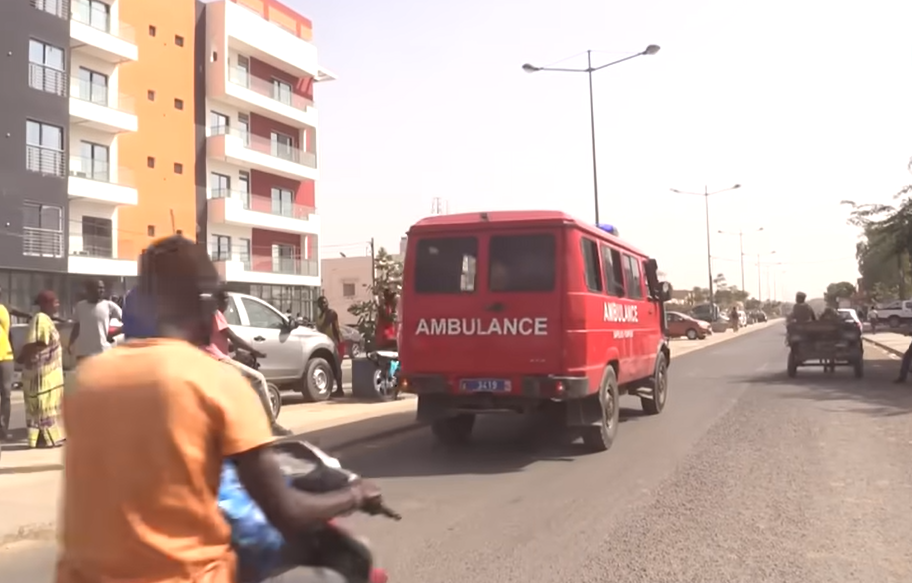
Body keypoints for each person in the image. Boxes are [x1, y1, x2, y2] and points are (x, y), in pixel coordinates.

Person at [56, 235, 379, 583]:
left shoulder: (86, 381)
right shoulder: (214, 382)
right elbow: (287, 512)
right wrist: (355, 495)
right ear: (204, 302)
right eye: (217, 302)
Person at [206, 288, 292, 437]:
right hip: (217, 359)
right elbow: (233, 337)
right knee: (258, 379)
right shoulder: (216, 314)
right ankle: (272, 425)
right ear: (220, 301)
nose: (228, 303)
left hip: (206, 359)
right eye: (226, 300)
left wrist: (236, 351)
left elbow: (218, 341)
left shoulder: (205, 317)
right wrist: (254, 351)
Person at [17, 291, 65, 449]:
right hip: (41, 376)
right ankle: (44, 439)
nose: (57, 304)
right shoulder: (40, 319)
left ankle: (47, 438)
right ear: (45, 304)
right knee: (42, 406)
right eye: (55, 302)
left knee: (46, 406)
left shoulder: (46, 319)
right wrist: (22, 358)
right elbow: (34, 343)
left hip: (48, 375)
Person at [0, 286, 31, 441]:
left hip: (5, 356)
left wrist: (32, 315)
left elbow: (18, 312)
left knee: (6, 394)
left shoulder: (4, 307)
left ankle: (3, 429)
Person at [68, 279, 122, 361]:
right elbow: (77, 326)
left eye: (102, 288)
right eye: (98, 288)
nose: (101, 291)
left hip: (102, 352)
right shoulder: (80, 306)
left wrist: (112, 334)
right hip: (83, 352)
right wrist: (70, 343)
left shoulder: (109, 306)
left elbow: (128, 322)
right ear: (88, 290)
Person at [316, 296, 346, 398]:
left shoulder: (331, 313)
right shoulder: (320, 315)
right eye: (321, 303)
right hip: (327, 344)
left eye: (325, 302)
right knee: (331, 366)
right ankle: (334, 388)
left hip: (336, 342)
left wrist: (337, 343)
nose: (323, 304)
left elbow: (327, 326)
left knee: (336, 366)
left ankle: (340, 389)